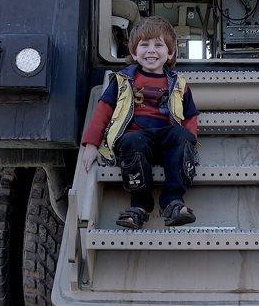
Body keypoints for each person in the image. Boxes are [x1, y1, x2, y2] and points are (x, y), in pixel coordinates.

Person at [81, 16, 199, 229]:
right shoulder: (122, 81)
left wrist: (190, 141)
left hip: (167, 142)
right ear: (134, 53)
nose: (151, 50)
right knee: (132, 141)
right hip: (137, 141)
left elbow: (190, 115)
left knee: (181, 136)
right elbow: (103, 111)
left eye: (158, 45)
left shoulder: (179, 84)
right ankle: (140, 206)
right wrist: (91, 144)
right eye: (144, 45)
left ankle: (173, 203)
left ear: (170, 53)